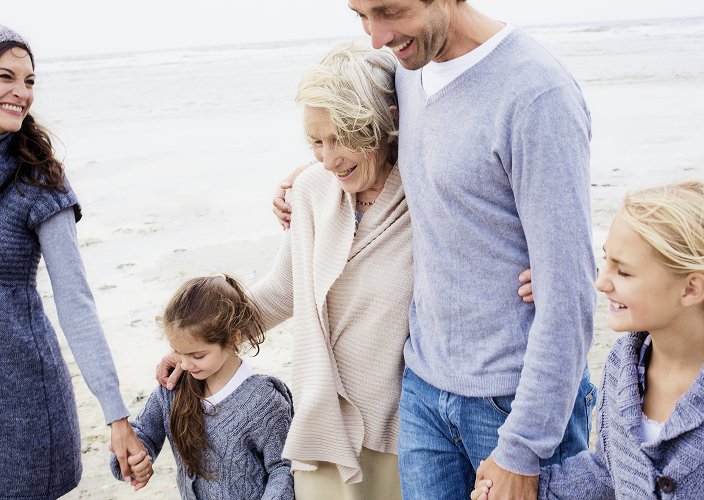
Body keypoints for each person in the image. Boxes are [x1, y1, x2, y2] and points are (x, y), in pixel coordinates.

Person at [274, 2, 598, 499]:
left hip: (511, 399)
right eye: (362, 15)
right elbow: (359, 116)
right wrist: (314, 175)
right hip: (423, 391)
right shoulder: (408, 73)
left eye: (389, 11)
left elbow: (570, 295)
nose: (377, 36)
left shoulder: (537, 93)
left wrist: (523, 447)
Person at [473, 180, 704, 500]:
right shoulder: (621, 368)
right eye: (605, 260)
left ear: (691, 288)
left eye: (623, 272)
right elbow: (610, 470)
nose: (600, 282)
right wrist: (528, 488)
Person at [0, 26, 149, 499]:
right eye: (6, 77)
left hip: (23, 398)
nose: (21, 93)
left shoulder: (39, 183)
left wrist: (117, 417)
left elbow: (75, 301)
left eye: (29, 81)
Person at [112, 274, 294, 499]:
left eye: (198, 355)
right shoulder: (173, 389)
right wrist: (134, 460)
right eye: (178, 352)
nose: (185, 364)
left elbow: (284, 468)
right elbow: (142, 433)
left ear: (233, 339)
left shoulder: (265, 402)